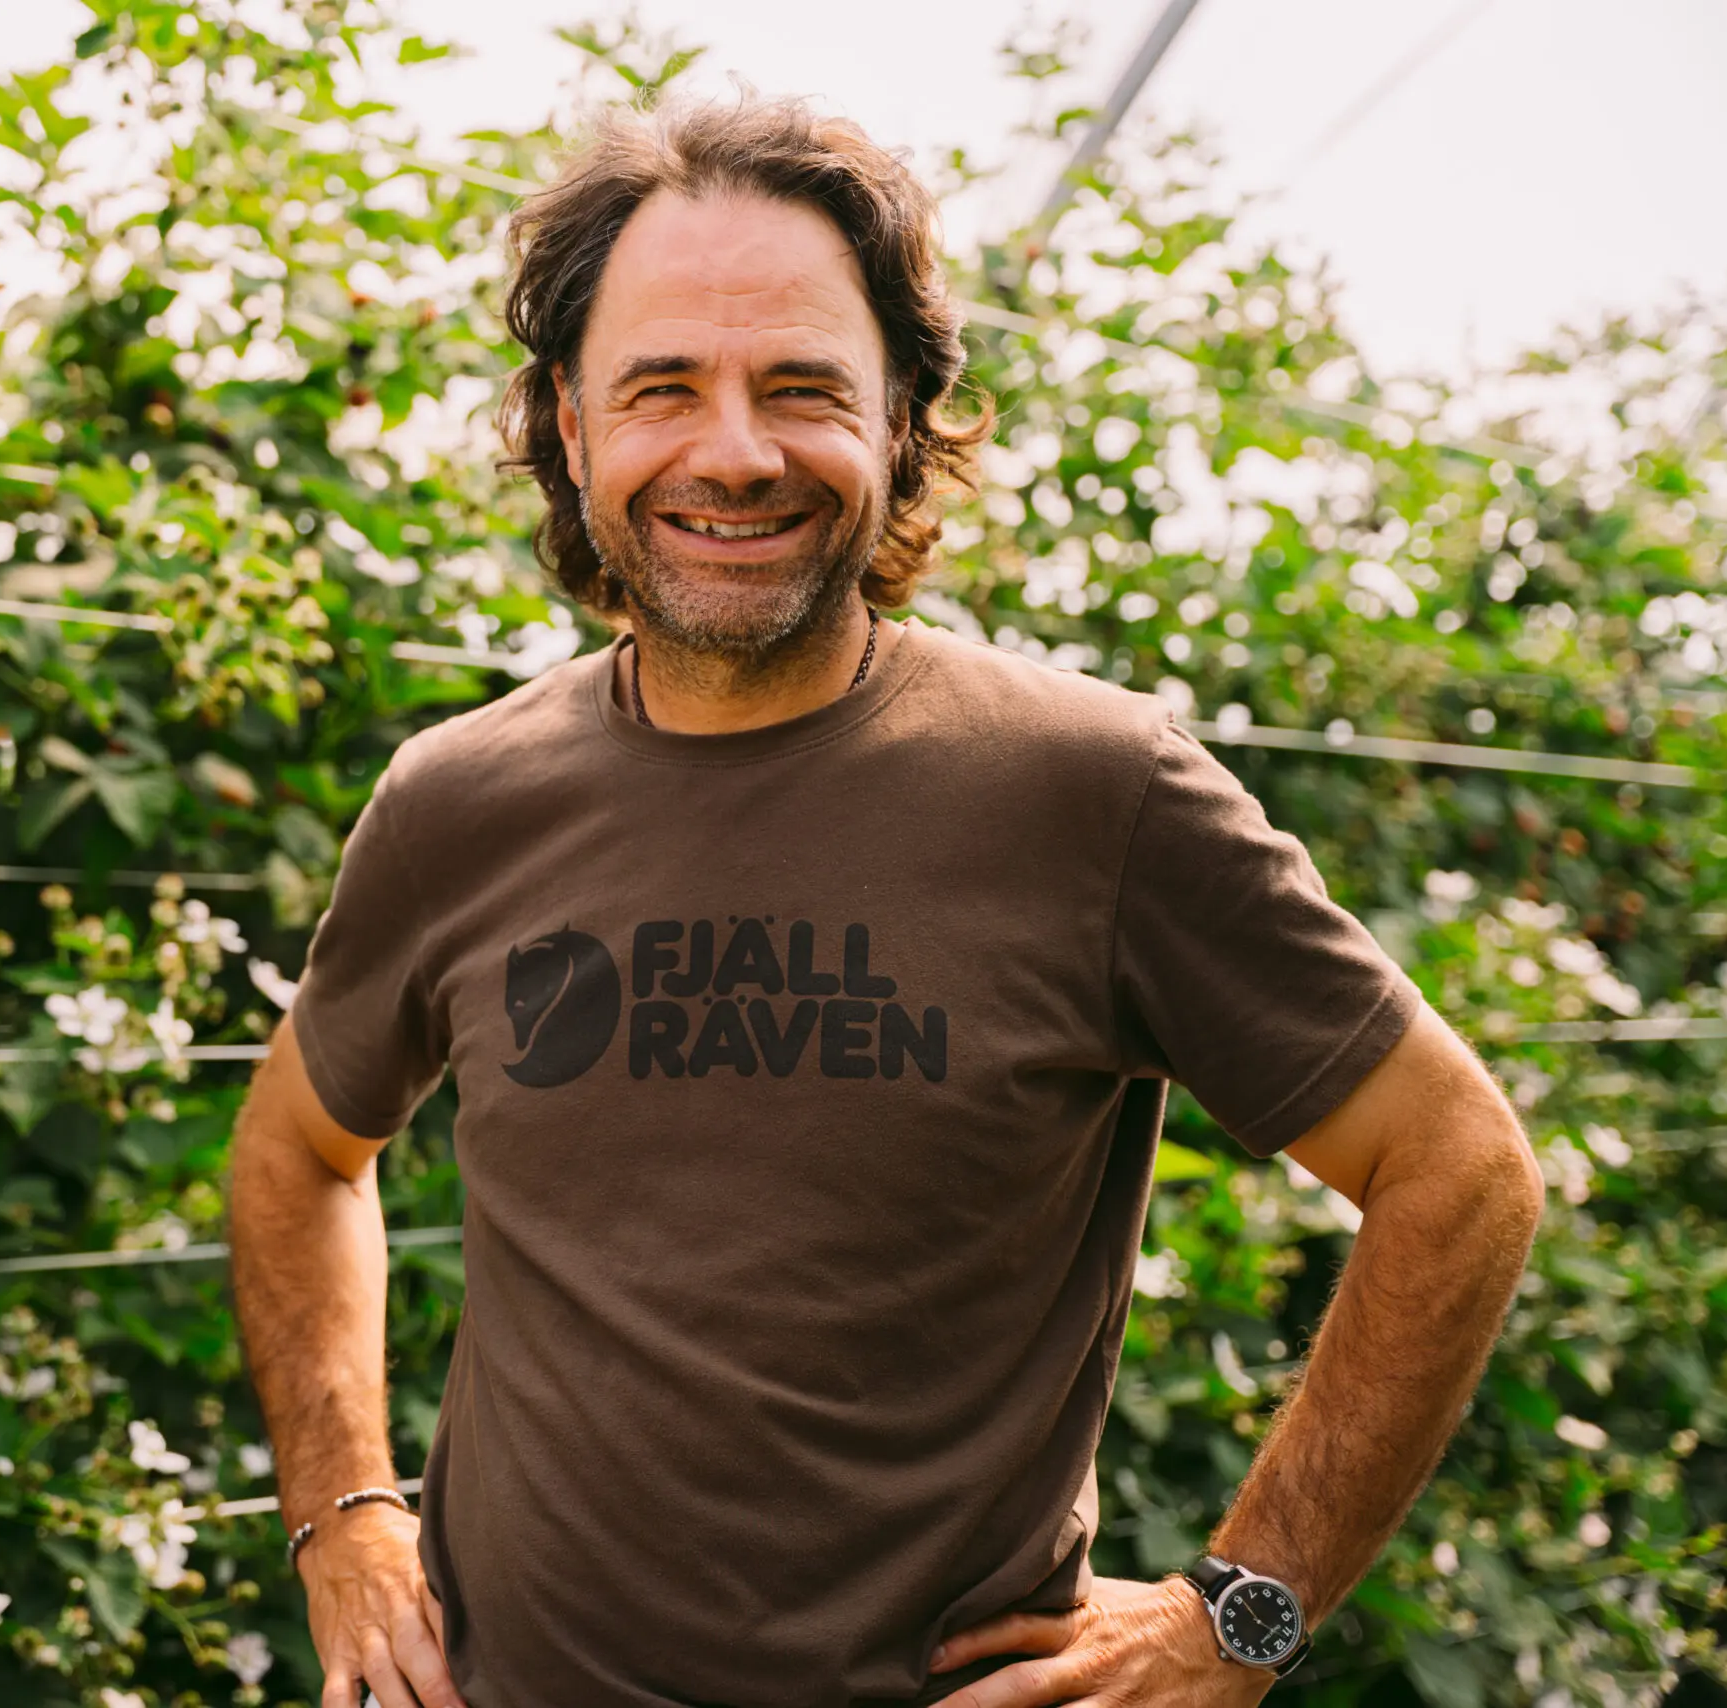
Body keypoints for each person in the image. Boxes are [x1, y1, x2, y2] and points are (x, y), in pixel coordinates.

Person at [228, 95, 1544, 1708]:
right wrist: (343, 1517)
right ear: (568, 425)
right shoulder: (459, 801)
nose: (733, 452)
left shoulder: (1092, 791)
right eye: (661, 388)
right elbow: (298, 1152)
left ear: (904, 419)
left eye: (803, 388)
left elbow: (1459, 1168)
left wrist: (1242, 1614)